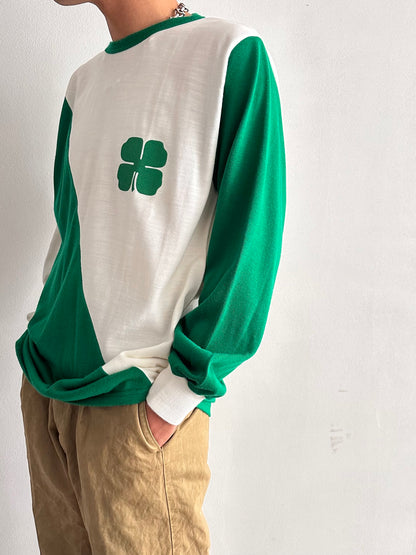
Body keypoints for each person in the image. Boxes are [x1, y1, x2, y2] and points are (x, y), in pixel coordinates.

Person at [16, 0, 286, 553]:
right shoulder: (83, 85)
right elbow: (70, 233)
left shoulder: (228, 54)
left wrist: (179, 393)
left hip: (135, 402)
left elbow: (250, 243)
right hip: (47, 393)